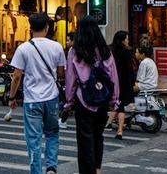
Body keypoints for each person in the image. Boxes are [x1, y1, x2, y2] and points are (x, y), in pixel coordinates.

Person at [8, 12, 65, 174]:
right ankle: (52, 168)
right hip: (52, 99)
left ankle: (36, 171)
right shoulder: (57, 47)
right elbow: (61, 74)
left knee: (33, 140)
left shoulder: (23, 48)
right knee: (52, 134)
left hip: (32, 100)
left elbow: (17, 76)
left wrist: (12, 97)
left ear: (30, 29)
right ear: (47, 28)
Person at [65, 16, 119, 174]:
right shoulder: (105, 51)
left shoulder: (75, 51)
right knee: (98, 136)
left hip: (83, 100)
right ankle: (97, 169)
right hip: (102, 100)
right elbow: (113, 77)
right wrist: (114, 100)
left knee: (84, 141)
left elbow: (71, 81)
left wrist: (68, 103)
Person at [106, 31, 134, 140]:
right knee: (121, 107)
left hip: (112, 82)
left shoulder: (110, 50)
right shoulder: (127, 52)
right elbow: (129, 69)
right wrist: (131, 83)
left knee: (117, 104)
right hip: (123, 83)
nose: (128, 41)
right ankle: (120, 130)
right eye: (126, 39)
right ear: (123, 40)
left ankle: (109, 123)